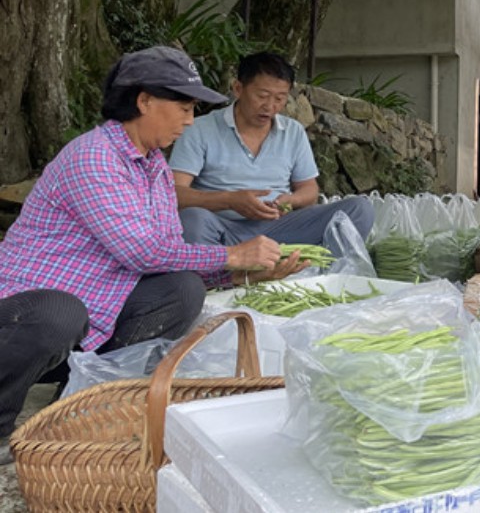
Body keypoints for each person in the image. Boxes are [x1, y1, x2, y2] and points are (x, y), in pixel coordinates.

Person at [0, 47, 298, 464]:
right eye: (183, 106)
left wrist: (244, 275)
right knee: (59, 311)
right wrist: (233, 255)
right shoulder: (94, 156)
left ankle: (78, 389)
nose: (190, 120)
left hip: (90, 311)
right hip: (23, 317)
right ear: (144, 101)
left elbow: (168, 254)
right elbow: (139, 252)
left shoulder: (152, 165)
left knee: (182, 290)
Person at [170, 52, 373, 251]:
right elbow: (175, 194)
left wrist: (291, 201)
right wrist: (229, 200)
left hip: (280, 229)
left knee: (358, 209)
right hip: (222, 229)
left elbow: (309, 190)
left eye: (279, 98)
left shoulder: (293, 132)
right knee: (192, 219)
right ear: (238, 88)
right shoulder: (199, 129)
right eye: (262, 96)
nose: (269, 106)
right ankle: (222, 275)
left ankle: (325, 274)